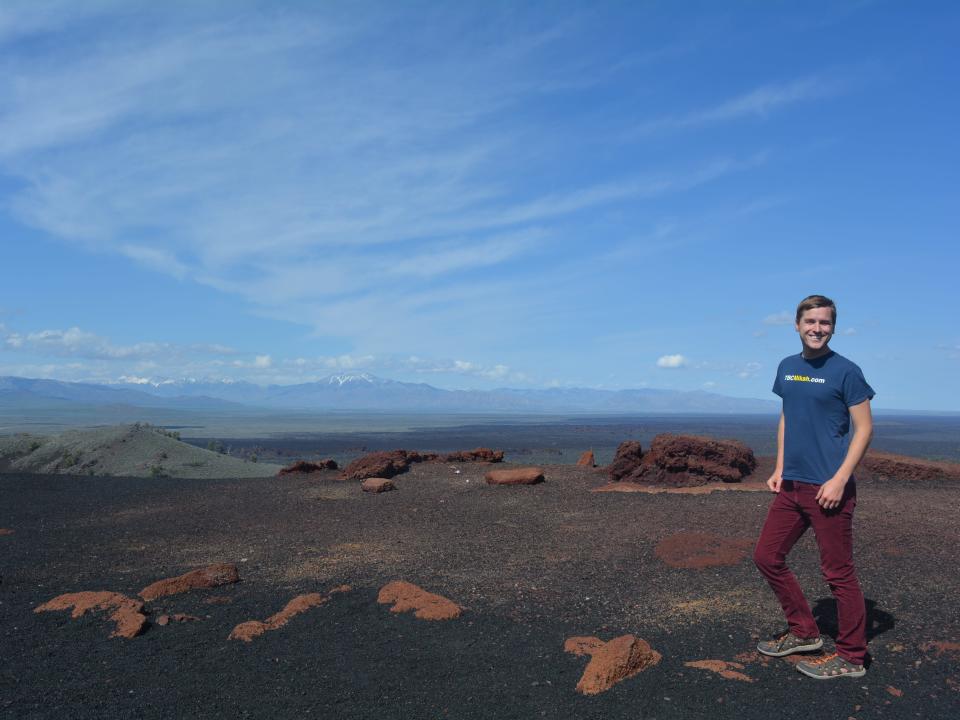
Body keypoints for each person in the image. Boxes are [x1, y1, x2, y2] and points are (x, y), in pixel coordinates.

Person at [753, 294, 874, 679]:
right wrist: (779, 465)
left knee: (838, 574)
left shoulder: (846, 371)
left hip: (828, 489)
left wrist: (839, 479)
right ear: (797, 325)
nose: (817, 329)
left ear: (833, 327)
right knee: (767, 557)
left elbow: (865, 428)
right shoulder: (787, 368)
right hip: (791, 485)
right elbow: (788, 417)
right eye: (811, 322)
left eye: (825, 323)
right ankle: (804, 631)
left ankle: (852, 657)